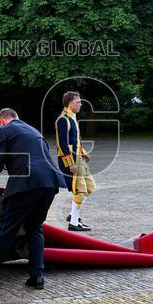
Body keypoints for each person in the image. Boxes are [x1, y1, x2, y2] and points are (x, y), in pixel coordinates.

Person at [0, 108, 63, 290]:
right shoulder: (33, 130)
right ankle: (37, 276)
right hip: (50, 182)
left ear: (2, 121)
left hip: (26, 184)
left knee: (6, 230)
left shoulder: (4, 130)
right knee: (35, 228)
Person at [56, 91, 95, 231]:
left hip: (78, 158)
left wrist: (83, 153)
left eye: (80, 101)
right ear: (69, 103)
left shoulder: (73, 117)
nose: (80, 104)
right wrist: (70, 163)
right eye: (77, 102)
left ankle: (73, 215)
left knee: (90, 187)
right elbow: (62, 143)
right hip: (70, 160)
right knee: (79, 190)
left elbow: (75, 140)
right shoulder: (63, 119)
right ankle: (74, 222)